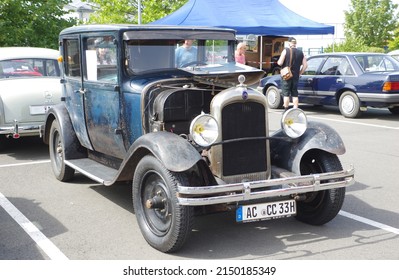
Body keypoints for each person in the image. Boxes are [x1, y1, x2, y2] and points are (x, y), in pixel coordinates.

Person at [277, 37, 308, 110]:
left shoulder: (286, 51)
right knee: (295, 93)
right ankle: (295, 109)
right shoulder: (301, 52)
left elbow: (280, 63)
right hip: (296, 76)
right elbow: (305, 65)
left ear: (289, 43)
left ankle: (286, 110)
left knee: (286, 94)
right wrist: (300, 73)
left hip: (286, 75)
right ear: (295, 43)